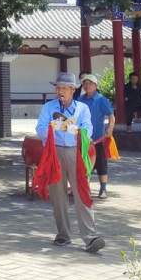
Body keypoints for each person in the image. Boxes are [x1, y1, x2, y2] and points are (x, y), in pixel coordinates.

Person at [33, 72, 105, 254]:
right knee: (58, 194)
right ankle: (63, 234)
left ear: (73, 90)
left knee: (82, 192)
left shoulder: (82, 108)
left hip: (75, 152)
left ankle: (90, 237)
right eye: (58, 88)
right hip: (54, 151)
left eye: (64, 88)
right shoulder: (48, 107)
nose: (60, 91)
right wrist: (52, 128)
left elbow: (88, 129)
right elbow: (40, 127)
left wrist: (72, 128)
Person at [76, 74, 114, 199]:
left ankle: (103, 189)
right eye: (85, 83)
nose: (87, 86)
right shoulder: (80, 99)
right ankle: (83, 188)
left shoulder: (101, 99)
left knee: (101, 163)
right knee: (83, 164)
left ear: (96, 86)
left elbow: (111, 115)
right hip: (83, 138)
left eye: (90, 83)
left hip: (97, 138)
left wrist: (110, 128)